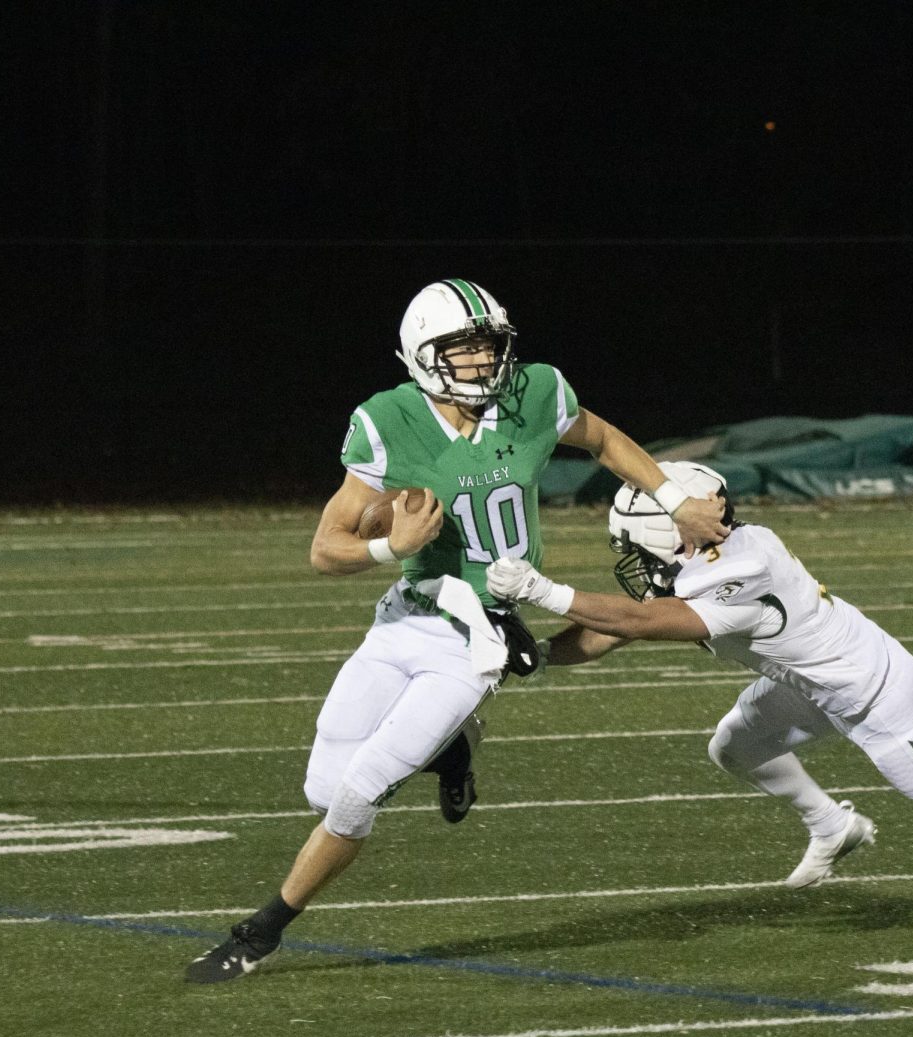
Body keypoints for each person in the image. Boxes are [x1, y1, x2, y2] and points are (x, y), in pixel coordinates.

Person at [185, 281, 730, 983]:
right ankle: (453, 752)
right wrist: (389, 543)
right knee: (324, 791)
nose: (481, 362)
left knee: (359, 797)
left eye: (487, 345)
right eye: (462, 348)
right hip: (407, 613)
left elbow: (600, 437)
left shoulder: (535, 393)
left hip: (476, 636)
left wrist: (675, 500)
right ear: (421, 356)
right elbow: (326, 548)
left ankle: (259, 933)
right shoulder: (388, 420)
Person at [485, 460, 913, 890]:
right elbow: (616, 629)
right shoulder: (725, 551)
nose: (632, 560)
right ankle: (831, 824)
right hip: (813, 685)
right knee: (734, 747)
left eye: (634, 545)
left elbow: (639, 621)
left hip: (881, 702)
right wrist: (537, 653)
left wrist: (543, 590)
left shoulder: (736, 573)